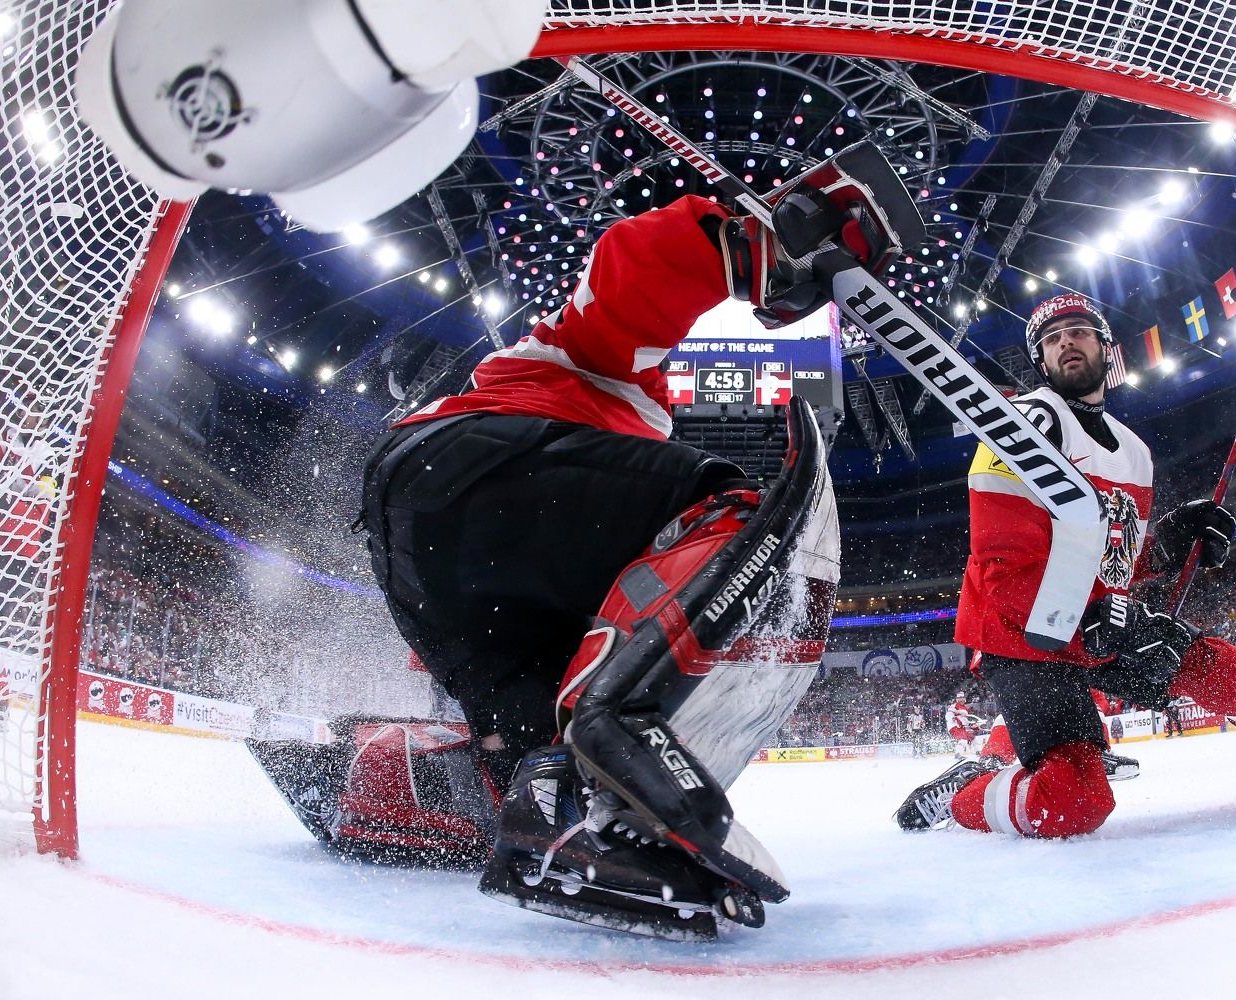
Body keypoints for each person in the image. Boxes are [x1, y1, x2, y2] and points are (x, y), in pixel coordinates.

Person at [258, 142, 922, 941]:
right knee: (727, 504)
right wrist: (756, 246)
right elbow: (628, 272)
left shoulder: (607, 510)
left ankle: (561, 825)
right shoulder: (608, 371)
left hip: (435, 578)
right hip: (471, 459)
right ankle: (620, 719)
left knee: (549, 759)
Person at [894, 292, 1236, 835]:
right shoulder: (1021, 428)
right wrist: (1082, 622)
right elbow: (1000, 561)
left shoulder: (1134, 452)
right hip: (1024, 636)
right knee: (1073, 803)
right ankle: (965, 793)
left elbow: (1117, 558)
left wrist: (1169, 543)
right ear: (1041, 363)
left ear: (1104, 347)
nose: (1065, 343)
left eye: (1076, 331)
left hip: (1100, 621)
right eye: (1051, 340)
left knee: (1228, 670)